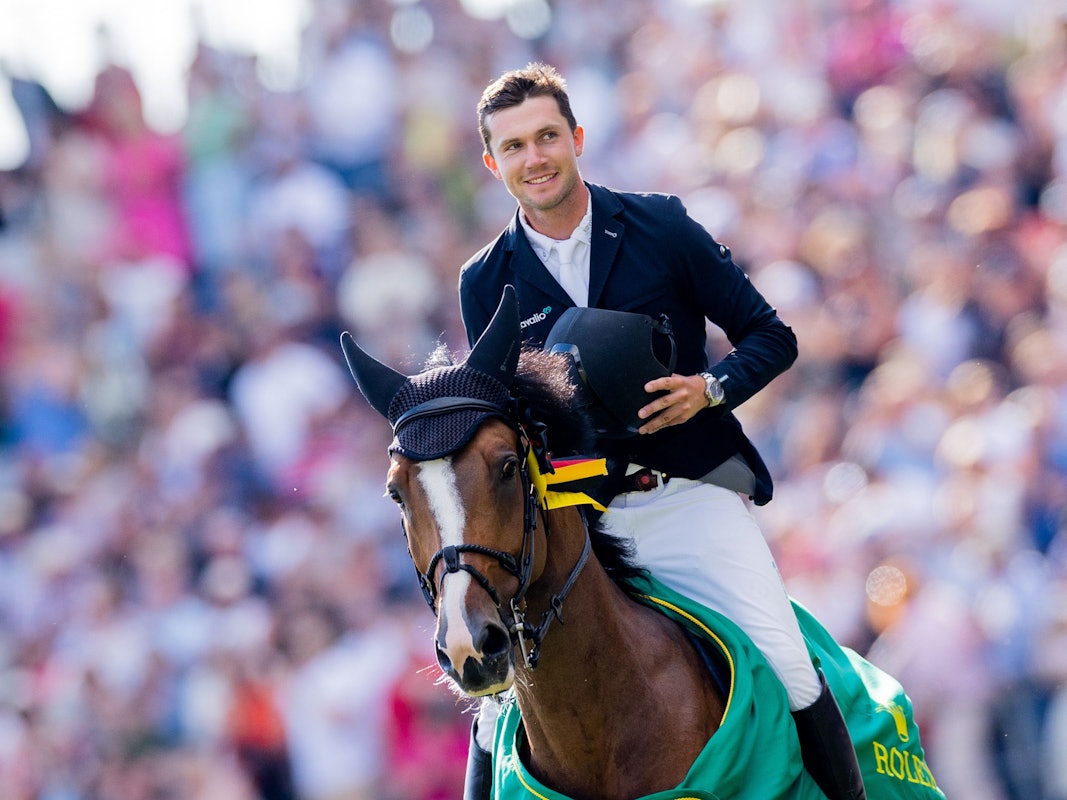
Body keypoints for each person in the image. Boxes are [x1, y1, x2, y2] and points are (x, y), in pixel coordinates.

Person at [458, 63, 866, 800]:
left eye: (547, 136)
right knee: (493, 710)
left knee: (786, 659)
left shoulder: (659, 226)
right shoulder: (483, 280)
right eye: (514, 146)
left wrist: (708, 390)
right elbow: (500, 424)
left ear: (576, 138)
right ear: (493, 163)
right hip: (571, 522)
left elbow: (770, 336)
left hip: (684, 495)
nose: (535, 157)